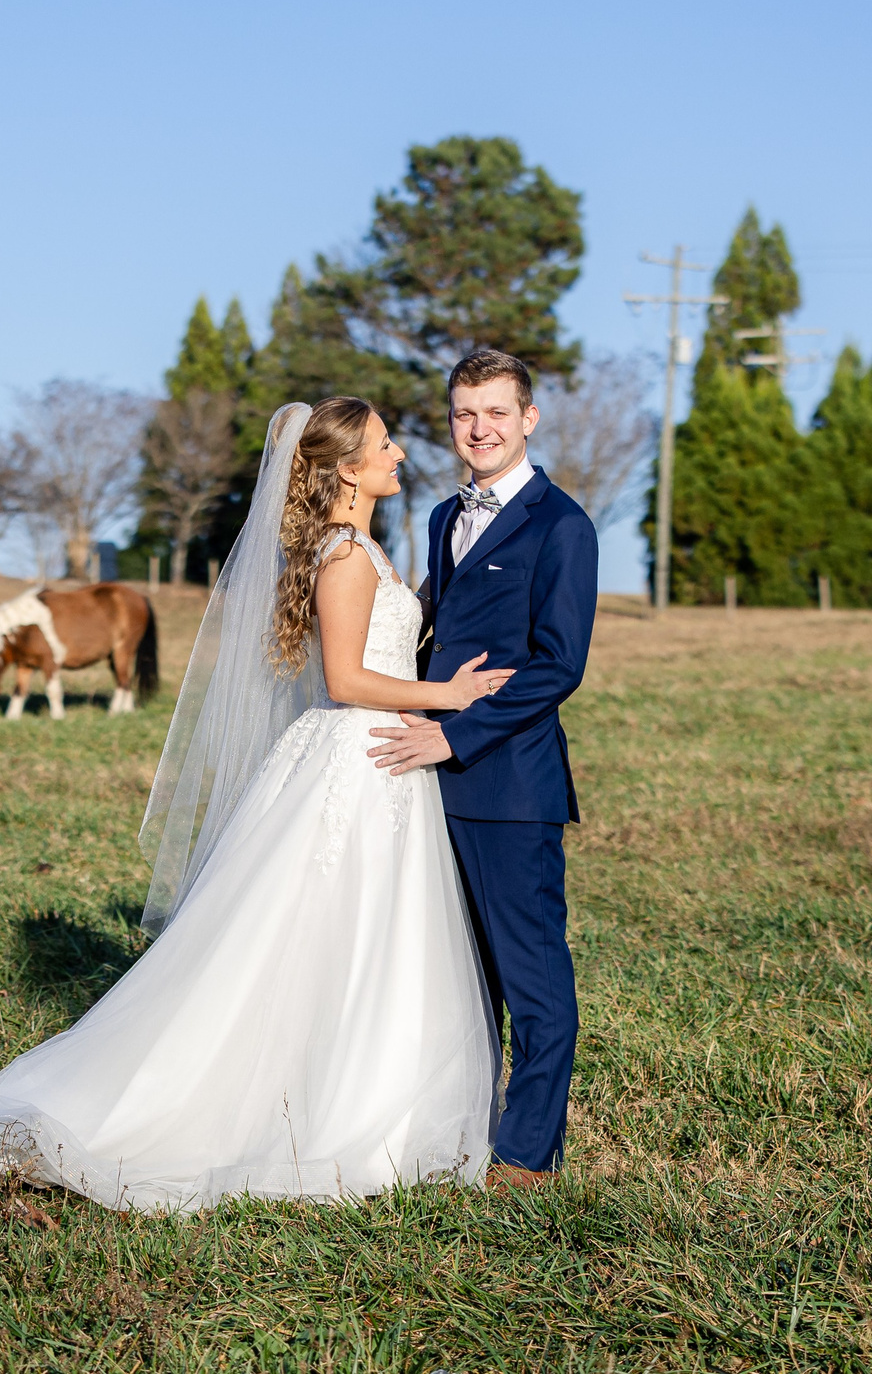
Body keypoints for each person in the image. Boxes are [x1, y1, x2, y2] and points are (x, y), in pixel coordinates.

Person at [0, 397, 513, 1211]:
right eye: (383, 443)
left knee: (358, 935)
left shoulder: (361, 549)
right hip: (357, 758)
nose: (399, 452)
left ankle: (359, 1094)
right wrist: (447, 694)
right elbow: (345, 678)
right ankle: (318, 1111)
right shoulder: (346, 556)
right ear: (347, 468)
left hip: (379, 761)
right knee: (323, 933)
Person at [367, 348, 598, 1190]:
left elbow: (558, 664)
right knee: (459, 975)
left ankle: (527, 1156)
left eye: (498, 411)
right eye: (465, 413)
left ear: (528, 418)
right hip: (428, 784)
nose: (481, 428)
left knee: (530, 974)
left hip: (510, 784)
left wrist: (454, 736)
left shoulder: (562, 525)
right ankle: (454, 1130)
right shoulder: (441, 515)